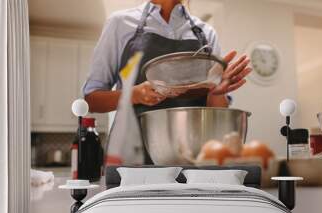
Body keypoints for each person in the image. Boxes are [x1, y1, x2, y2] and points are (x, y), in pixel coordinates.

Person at [83, 0, 251, 163]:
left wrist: (216, 90)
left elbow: (216, 111)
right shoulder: (120, 23)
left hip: (192, 157)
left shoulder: (207, 33)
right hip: (133, 157)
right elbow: (92, 100)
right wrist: (135, 95)